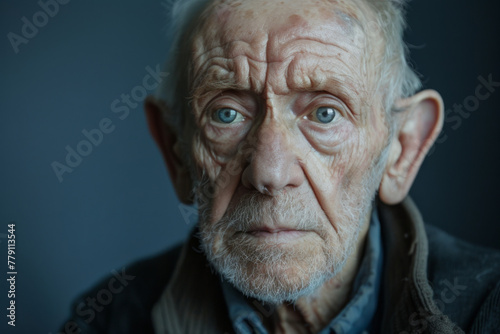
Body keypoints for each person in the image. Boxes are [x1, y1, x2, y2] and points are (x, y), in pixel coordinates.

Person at [61, 0, 500, 333]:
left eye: (325, 113)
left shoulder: (488, 306)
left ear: (401, 150)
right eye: (226, 113)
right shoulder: (106, 318)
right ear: (177, 149)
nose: (269, 174)